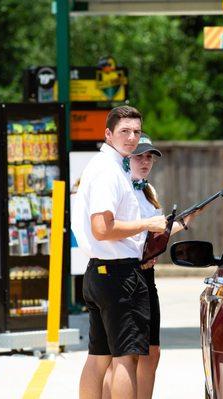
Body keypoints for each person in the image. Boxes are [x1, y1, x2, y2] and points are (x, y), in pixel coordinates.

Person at [74, 106, 167, 399]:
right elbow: (102, 227)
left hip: (101, 272)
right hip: (118, 275)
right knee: (126, 360)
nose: (131, 138)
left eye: (136, 132)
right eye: (124, 131)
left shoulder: (109, 168)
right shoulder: (108, 171)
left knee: (99, 357)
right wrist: (147, 223)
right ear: (108, 134)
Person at [102, 133, 199, 399]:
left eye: (149, 157)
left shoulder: (148, 190)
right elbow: (114, 233)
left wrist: (183, 222)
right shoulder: (119, 189)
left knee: (151, 351)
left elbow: (152, 236)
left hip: (147, 276)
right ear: (126, 159)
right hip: (124, 275)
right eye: (139, 156)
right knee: (122, 356)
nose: (145, 162)